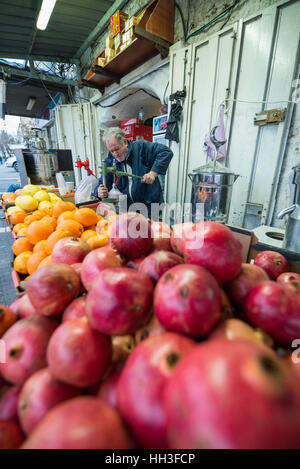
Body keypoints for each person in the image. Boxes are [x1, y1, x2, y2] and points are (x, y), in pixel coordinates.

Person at [94, 127, 173, 217]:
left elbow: (166, 152)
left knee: (152, 228)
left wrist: (152, 173)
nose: (115, 154)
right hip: (127, 208)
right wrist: (99, 191)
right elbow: (103, 183)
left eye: (117, 149)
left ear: (124, 142)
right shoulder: (110, 160)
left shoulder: (141, 147)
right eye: (112, 151)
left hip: (150, 205)